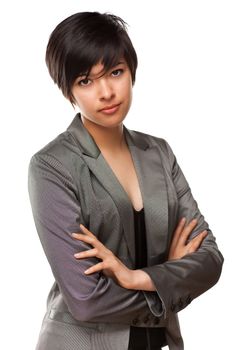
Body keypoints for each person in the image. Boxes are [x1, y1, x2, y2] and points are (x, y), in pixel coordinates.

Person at [28, 11, 223, 350]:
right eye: (85, 81)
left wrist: (137, 277)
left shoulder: (159, 153)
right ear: (68, 91)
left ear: (132, 72)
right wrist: (169, 280)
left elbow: (210, 259)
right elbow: (86, 299)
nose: (106, 92)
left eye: (115, 72)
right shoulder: (52, 166)